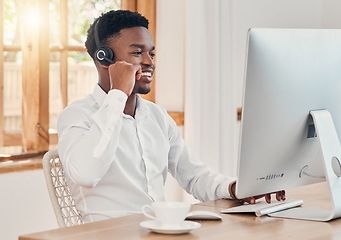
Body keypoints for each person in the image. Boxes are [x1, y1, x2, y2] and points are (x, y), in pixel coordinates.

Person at [57, 10, 285, 223]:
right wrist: (118, 93)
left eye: (152, 53)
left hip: (159, 230)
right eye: (137, 52)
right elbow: (87, 174)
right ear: (104, 59)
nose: (149, 62)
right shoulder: (77, 116)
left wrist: (237, 189)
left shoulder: (157, 116)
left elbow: (194, 176)